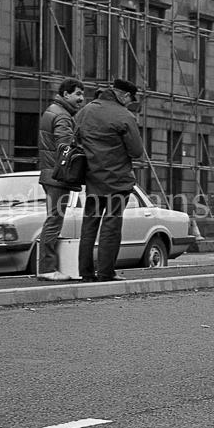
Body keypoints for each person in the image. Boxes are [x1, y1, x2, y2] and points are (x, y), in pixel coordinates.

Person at [75, 79, 144, 283]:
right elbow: (136, 151)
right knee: (111, 227)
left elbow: (75, 139)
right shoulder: (124, 116)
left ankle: (86, 272)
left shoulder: (86, 110)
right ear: (125, 96)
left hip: (92, 178)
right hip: (117, 181)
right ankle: (106, 272)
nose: (130, 103)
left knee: (89, 226)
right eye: (130, 99)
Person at [37, 78, 85, 282]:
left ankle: (47, 266)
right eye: (78, 94)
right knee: (54, 221)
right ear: (66, 94)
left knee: (53, 219)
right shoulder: (63, 116)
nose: (82, 99)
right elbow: (66, 148)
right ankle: (47, 268)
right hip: (57, 176)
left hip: (49, 173)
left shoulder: (53, 111)